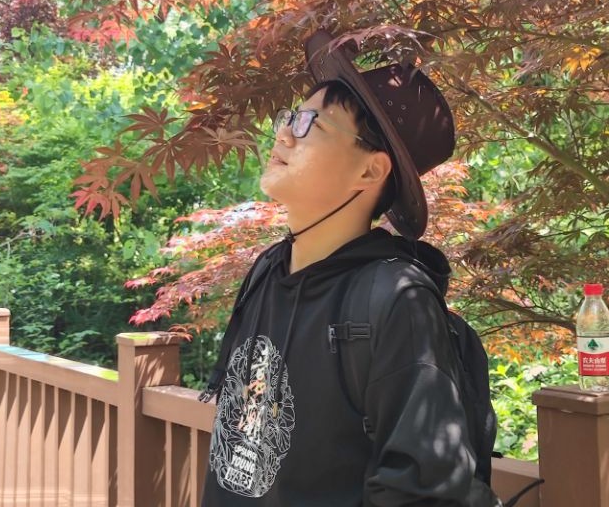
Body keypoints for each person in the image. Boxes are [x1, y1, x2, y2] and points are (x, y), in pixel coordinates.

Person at [199, 29, 501, 507]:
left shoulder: (396, 301)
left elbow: (424, 491)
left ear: (370, 171)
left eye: (309, 125)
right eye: (291, 117)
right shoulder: (267, 271)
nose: (283, 133)